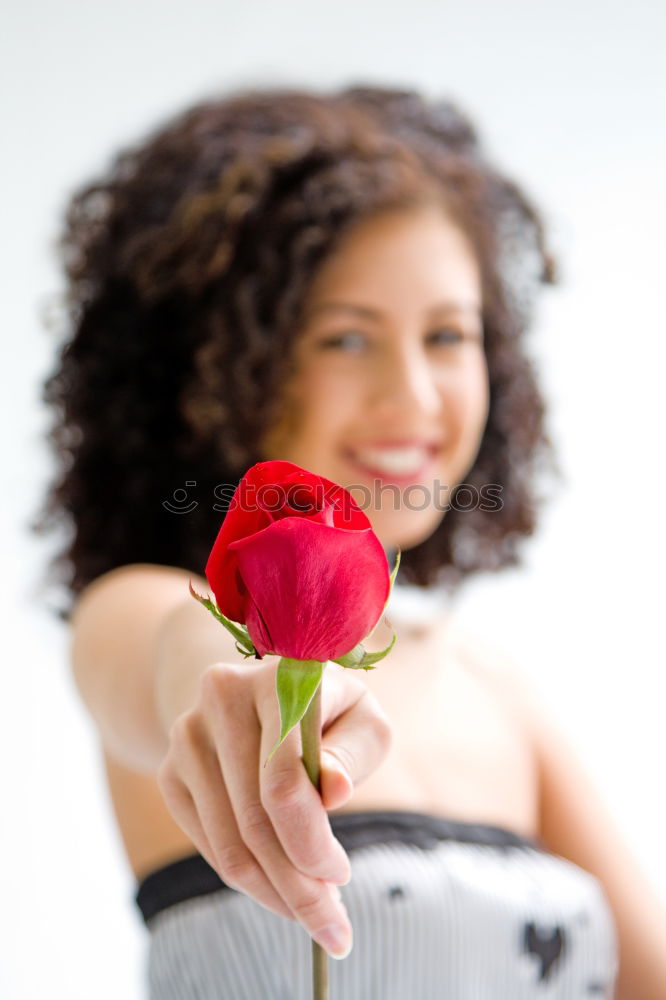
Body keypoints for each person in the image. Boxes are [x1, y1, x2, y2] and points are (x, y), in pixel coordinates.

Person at [34, 84, 665, 999]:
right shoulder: (143, 611)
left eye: (448, 334)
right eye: (345, 339)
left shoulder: (496, 689)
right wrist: (249, 697)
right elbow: (179, 659)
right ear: (215, 369)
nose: (413, 395)